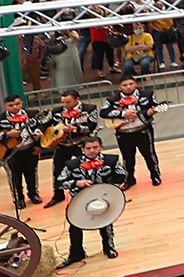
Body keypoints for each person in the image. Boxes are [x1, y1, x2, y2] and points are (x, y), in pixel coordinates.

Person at [56, 136, 123, 266]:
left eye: (95, 147)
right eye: (88, 148)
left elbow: (121, 176)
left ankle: (109, 247)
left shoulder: (111, 160)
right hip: (79, 200)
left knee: (106, 222)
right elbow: (59, 183)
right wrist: (76, 183)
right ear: (82, 150)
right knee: (75, 226)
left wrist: (109, 186)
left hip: (103, 199)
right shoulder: (72, 164)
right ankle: (76, 253)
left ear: (101, 147)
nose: (92, 151)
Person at [100, 77, 164, 186]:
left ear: (136, 84)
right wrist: (122, 114)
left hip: (142, 130)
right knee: (127, 158)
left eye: (131, 84)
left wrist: (150, 112)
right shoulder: (112, 99)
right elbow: (103, 112)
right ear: (120, 87)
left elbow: (154, 105)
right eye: (125, 85)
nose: (128, 87)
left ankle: (155, 175)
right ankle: (129, 179)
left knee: (149, 155)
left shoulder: (147, 94)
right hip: (123, 133)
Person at [43, 88, 98, 201]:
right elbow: (44, 123)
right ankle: (58, 195)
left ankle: (91, 191)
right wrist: (40, 130)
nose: (65, 104)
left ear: (77, 99)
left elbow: (92, 125)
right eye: (63, 102)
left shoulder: (89, 109)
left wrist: (75, 129)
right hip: (62, 145)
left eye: (68, 102)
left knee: (86, 167)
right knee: (57, 170)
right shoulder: (56, 111)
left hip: (81, 144)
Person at [3, 95, 44, 210]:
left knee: (32, 173)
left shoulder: (32, 114)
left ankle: (33, 194)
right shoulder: (1, 118)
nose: (15, 107)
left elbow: (42, 127)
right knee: (14, 176)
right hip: (10, 152)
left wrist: (39, 145)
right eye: (11, 105)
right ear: (5, 106)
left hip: (30, 149)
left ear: (21, 103)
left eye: (17, 104)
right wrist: (7, 134)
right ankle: (18, 198)